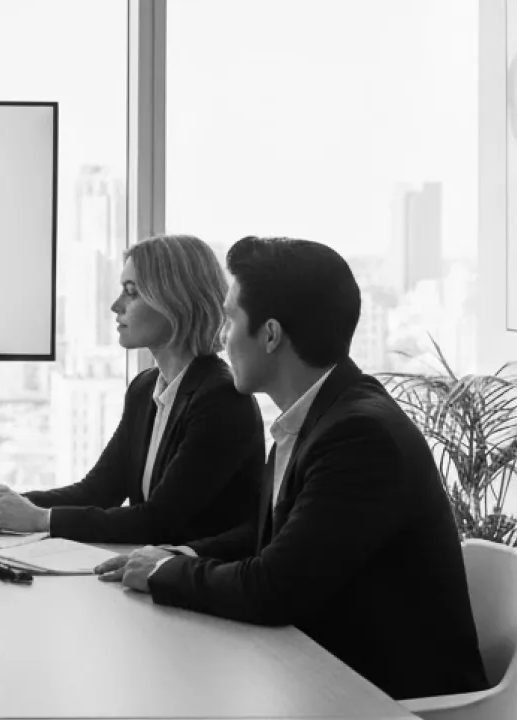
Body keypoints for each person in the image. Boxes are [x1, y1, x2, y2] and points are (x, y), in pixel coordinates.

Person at [94, 236, 488, 701]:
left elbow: (273, 588)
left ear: (271, 335)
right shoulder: (317, 417)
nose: (222, 337)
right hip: (320, 674)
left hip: (387, 699)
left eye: (230, 320)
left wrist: (165, 572)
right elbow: (270, 541)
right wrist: (175, 555)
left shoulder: (360, 437)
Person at [0, 235, 264, 545]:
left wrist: (39, 519)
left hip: (195, 571)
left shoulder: (220, 399)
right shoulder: (144, 388)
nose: (116, 306)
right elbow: (98, 492)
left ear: (174, 301)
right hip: (145, 566)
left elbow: (158, 521)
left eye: (131, 292)